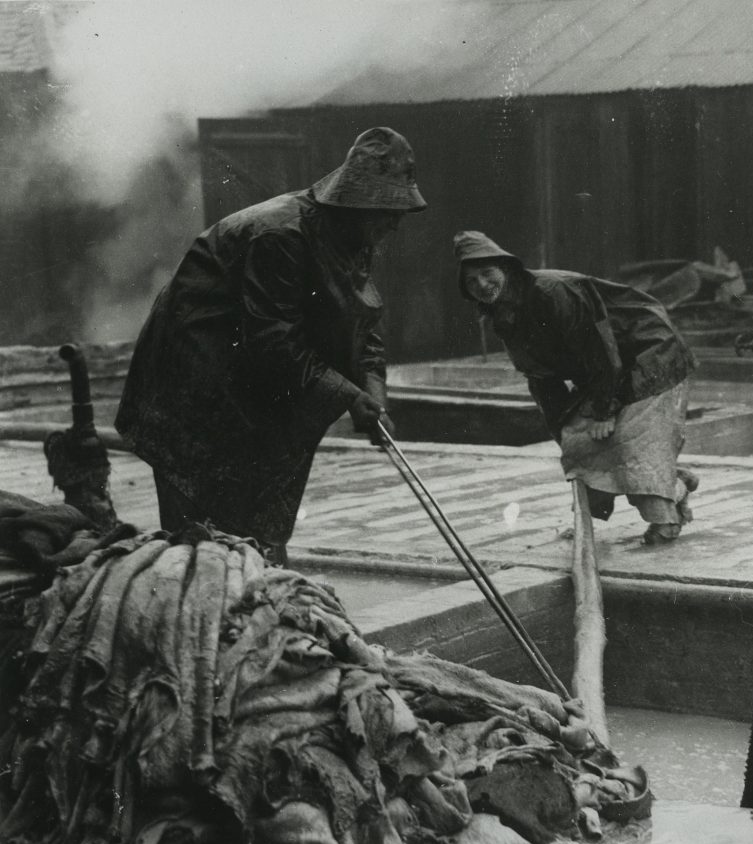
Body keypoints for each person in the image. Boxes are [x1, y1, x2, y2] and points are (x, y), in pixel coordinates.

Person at [115, 127, 427, 565]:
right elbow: (274, 341)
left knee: (259, 518)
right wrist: (349, 397)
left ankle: (262, 572)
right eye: (389, 210)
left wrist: (375, 396)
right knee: (205, 532)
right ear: (358, 204)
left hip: (250, 379)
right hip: (192, 381)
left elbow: (363, 326)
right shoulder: (280, 236)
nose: (396, 222)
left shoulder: (355, 239)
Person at [454, 231, 699, 544]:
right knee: (580, 441)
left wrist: (604, 410)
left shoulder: (552, 291)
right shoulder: (503, 315)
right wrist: (564, 431)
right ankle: (668, 484)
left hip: (651, 354)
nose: (482, 285)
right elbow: (541, 377)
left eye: (487, 274)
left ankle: (667, 518)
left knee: (630, 442)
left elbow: (599, 346)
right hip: (608, 370)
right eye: (472, 282)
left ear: (506, 269)